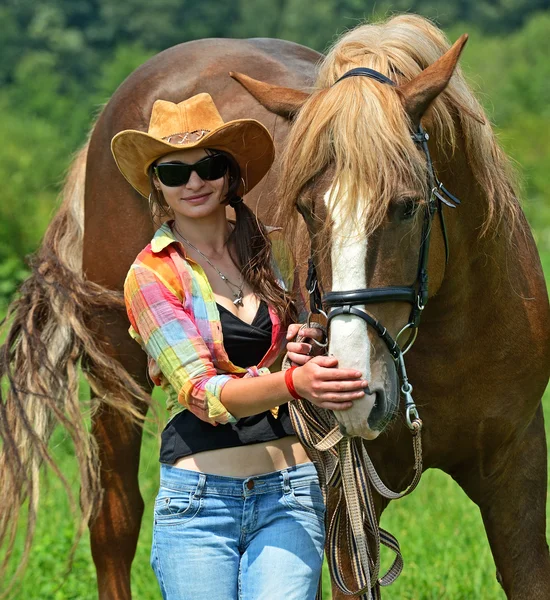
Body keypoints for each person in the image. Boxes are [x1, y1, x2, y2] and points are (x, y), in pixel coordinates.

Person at [111, 93, 368, 600]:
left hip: (289, 491)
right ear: (156, 187)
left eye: (208, 165)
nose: (193, 183)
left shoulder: (260, 250)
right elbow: (204, 394)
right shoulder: (150, 275)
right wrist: (294, 383)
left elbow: (264, 358)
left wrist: (292, 351)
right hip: (199, 505)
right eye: (173, 173)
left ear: (228, 175)